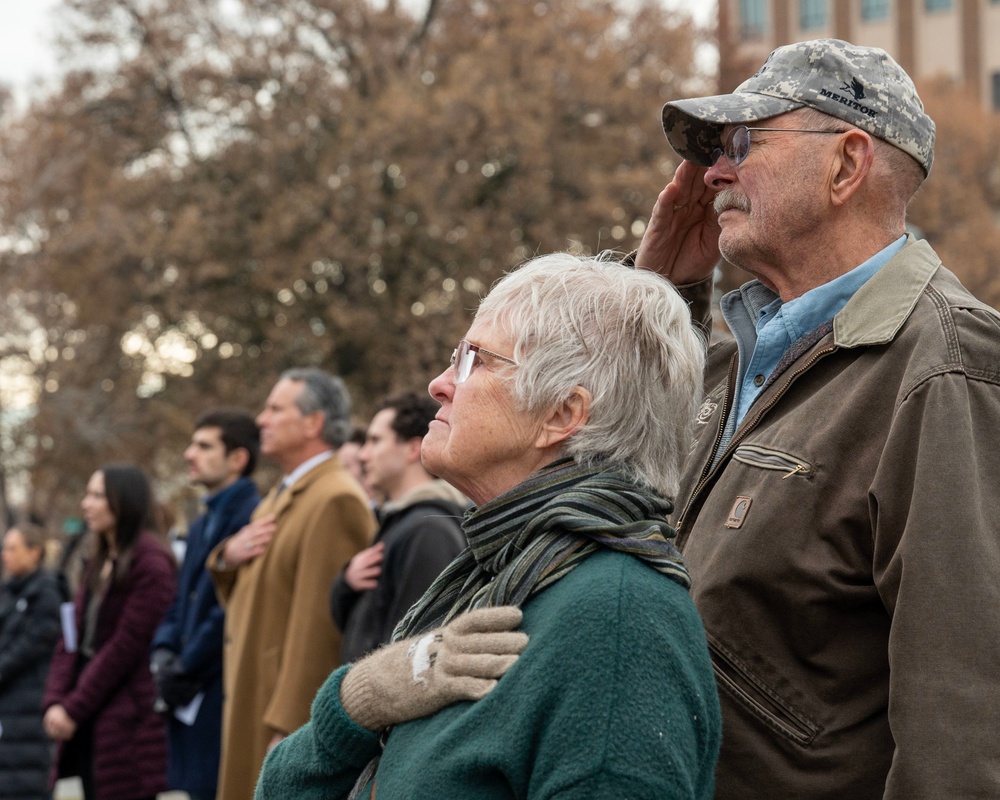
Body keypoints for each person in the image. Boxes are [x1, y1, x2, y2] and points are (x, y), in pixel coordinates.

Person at [635, 38, 1000, 799]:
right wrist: (661, 299)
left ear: (846, 163)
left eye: (744, 141)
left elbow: (964, 712)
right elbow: (598, 494)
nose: (713, 173)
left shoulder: (945, 364)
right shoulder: (736, 353)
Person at [256, 253, 722, 799]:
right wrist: (358, 701)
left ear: (560, 414)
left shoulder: (618, 620)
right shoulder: (495, 571)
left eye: (473, 360)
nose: (439, 384)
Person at [207, 368, 376, 800]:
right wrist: (226, 555)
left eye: (275, 409)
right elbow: (253, 594)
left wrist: (293, 726)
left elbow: (319, 626)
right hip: (253, 697)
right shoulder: (281, 496)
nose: (261, 419)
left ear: (313, 423)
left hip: (276, 717)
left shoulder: (334, 498)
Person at [43, 465, 176, 800]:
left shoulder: (151, 562)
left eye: (98, 495)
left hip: (127, 720)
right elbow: (71, 638)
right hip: (90, 710)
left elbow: (124, 648)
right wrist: (55, 701)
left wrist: (73, 708)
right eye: (88, 494)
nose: (86, 504)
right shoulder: (97, 558)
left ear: (125, 502)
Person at [150, 410, 261, 800]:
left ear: (237, 459)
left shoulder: (254, 516)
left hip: (218, 691)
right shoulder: (200, 523)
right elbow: (179, 600)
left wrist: (187, 664)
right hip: (187, 691)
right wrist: (163, 651)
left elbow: (232, 606)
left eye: (203, 446)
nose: (189, 454)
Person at [330, 391, 468, 662]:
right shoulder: (401, 521)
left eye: (375, 441)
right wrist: (346, 583)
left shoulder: (429, 531)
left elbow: (413, 652)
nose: (363, 455)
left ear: (412, 449)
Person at [0, 522, 63, 800]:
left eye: (13, 548)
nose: (5, 554)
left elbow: (24, 649)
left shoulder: (46, 594)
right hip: (10, 712)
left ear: (35, 552)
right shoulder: (9, 592)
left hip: (30, 710)